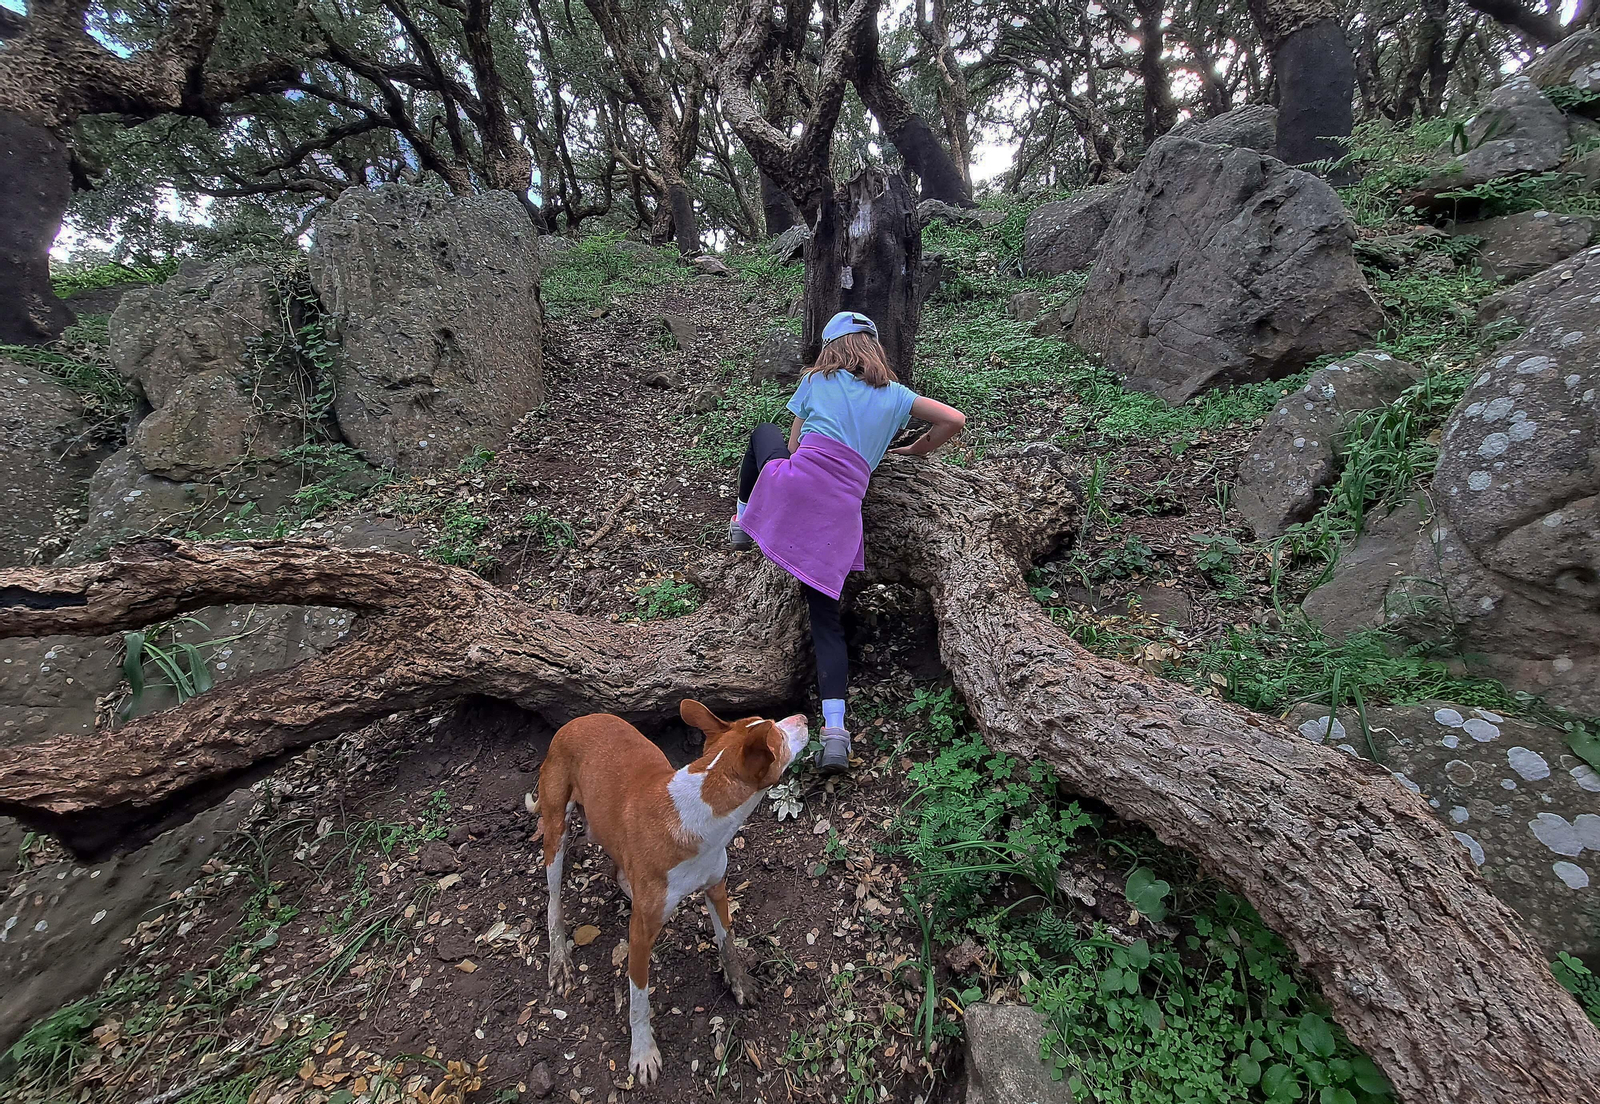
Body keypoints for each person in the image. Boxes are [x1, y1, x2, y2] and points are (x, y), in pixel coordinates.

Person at [729, 310, 967, 773]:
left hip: (797, 484)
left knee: (763, 433)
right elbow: (954, 420)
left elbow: (794, 443)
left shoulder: (818, 381)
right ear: (874, 348)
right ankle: (835, 732)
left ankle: (741, 521)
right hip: (840, 515)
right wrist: (913, 450)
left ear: (831, 349)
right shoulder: (897, 396)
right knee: (826, 624)